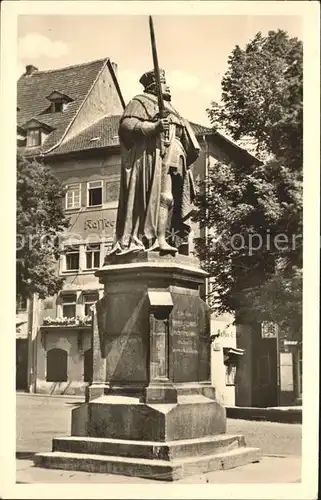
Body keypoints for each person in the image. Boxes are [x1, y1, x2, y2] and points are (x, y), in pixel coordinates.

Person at [109, 69, 200, 256]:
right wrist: (154, 127)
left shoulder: (172, 108)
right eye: (164, 83)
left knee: (172, 200)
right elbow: (127, 127)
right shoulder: (140, 101)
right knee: (163, 197)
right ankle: (157, 239)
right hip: (154, 157)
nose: (168, 86)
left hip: (176, 156)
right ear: (154, 86)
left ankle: (167, 237)